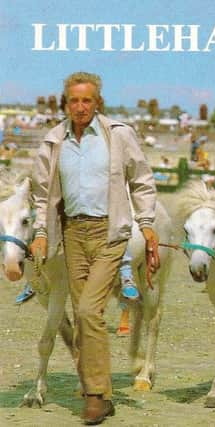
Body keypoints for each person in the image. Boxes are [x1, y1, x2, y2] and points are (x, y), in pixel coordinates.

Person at [29, 71, 160, 425]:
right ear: (65, 103)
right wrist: (41, 232)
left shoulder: (118, 135)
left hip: (109, 231)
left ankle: (95, 395)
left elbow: (143, 181)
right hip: (72, 233)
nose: (81, 106)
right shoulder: (54, 141)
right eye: (74, 100)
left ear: (97, 102)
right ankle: (99, 394)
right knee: (86, 313)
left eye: (87, 100)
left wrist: (146, 226)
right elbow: (42, 194)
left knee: (88, 311)